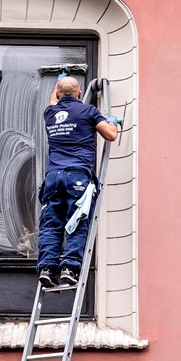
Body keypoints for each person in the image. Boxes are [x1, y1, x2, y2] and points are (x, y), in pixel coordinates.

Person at [37, 75, 118, 287]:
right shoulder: (88, 111)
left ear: (57, 93)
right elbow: (110, 135)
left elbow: (52, 100)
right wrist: (113, 122)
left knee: (51, 225)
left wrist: (58, 83)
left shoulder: (50, 113)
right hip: (78, 177)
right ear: (79, 94)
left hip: (53, 178)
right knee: (77, 222)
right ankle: (69, 268)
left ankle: (47, 268)